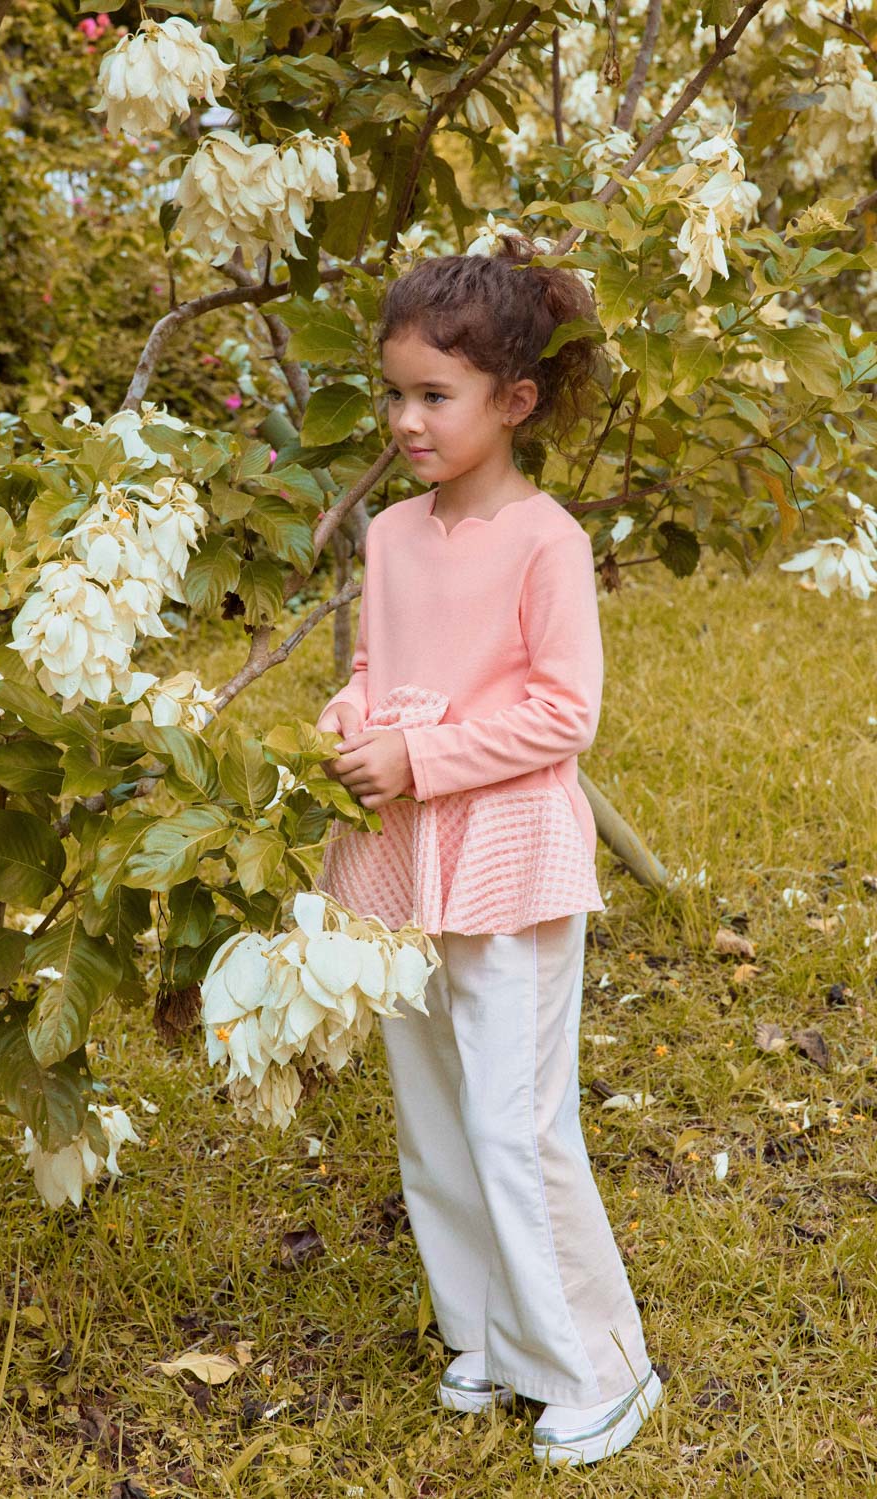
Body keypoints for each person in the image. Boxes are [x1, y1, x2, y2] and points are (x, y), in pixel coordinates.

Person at [313, 233, 661, 1468]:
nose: (406, 419)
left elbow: (565, 711)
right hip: (404, 855)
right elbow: (372, 671)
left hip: (507, 855)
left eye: (434, 395)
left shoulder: (545, 541)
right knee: (433, 1105)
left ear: (513, 402)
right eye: (393, 391)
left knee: (517, 1117)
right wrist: (353, 725)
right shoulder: (395, 536)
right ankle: (492, 1333)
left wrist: (427, 753)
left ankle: (598, 1362)